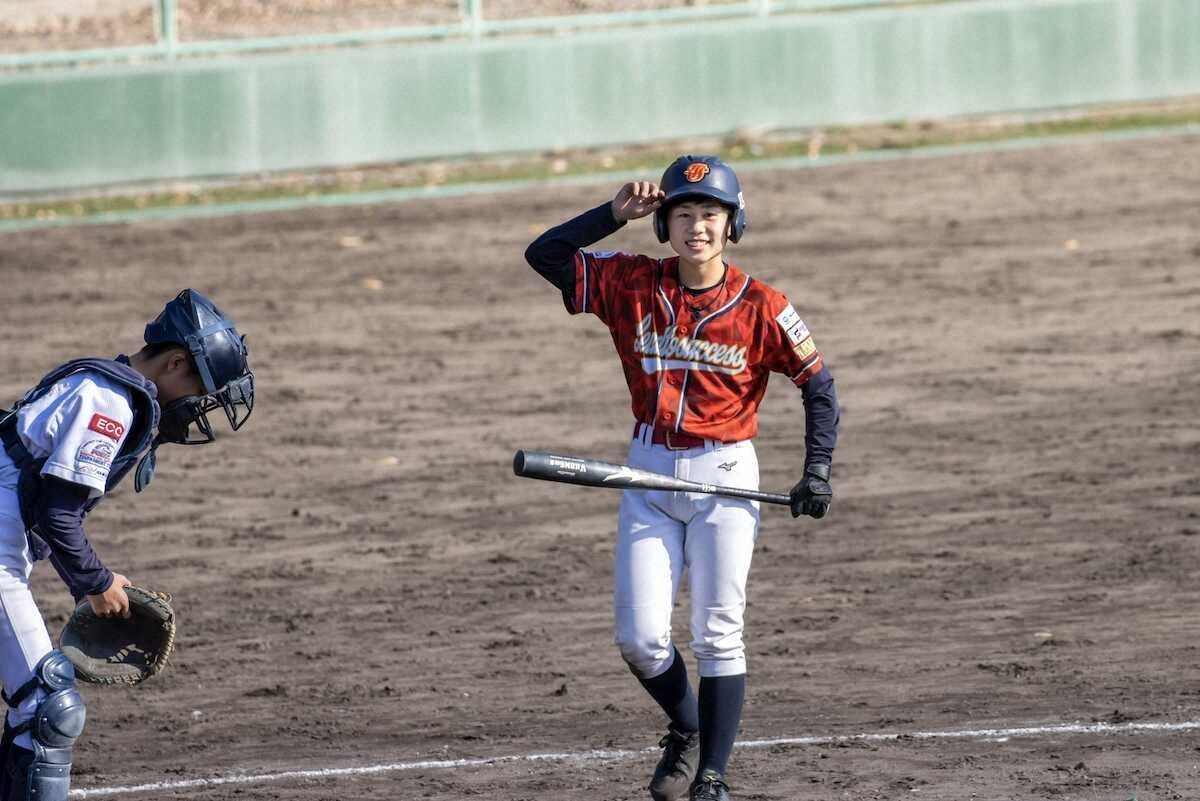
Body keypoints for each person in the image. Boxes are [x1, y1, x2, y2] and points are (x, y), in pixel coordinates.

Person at [524, 155, 840, 801]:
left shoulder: (765, 306)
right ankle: (688, 724)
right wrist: (612, 214)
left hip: (726, 474)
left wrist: (817, 470)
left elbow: (820, 388)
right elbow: (545, 254)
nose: (698, 226)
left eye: (711, 214)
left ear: (733, 224)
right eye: (684, 213)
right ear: (664, 223)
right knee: (640, 639)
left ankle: (713, 777)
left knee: (718, 633)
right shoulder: (631, 283)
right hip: (645, 473)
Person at [0, 289, 254, 801]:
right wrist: (96, 583)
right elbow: (57, 514)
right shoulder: (109, 404)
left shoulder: (101, 386)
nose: (196, 407)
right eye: (200, 389)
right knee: (49, 708)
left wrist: (89, 583)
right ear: (175, 362)